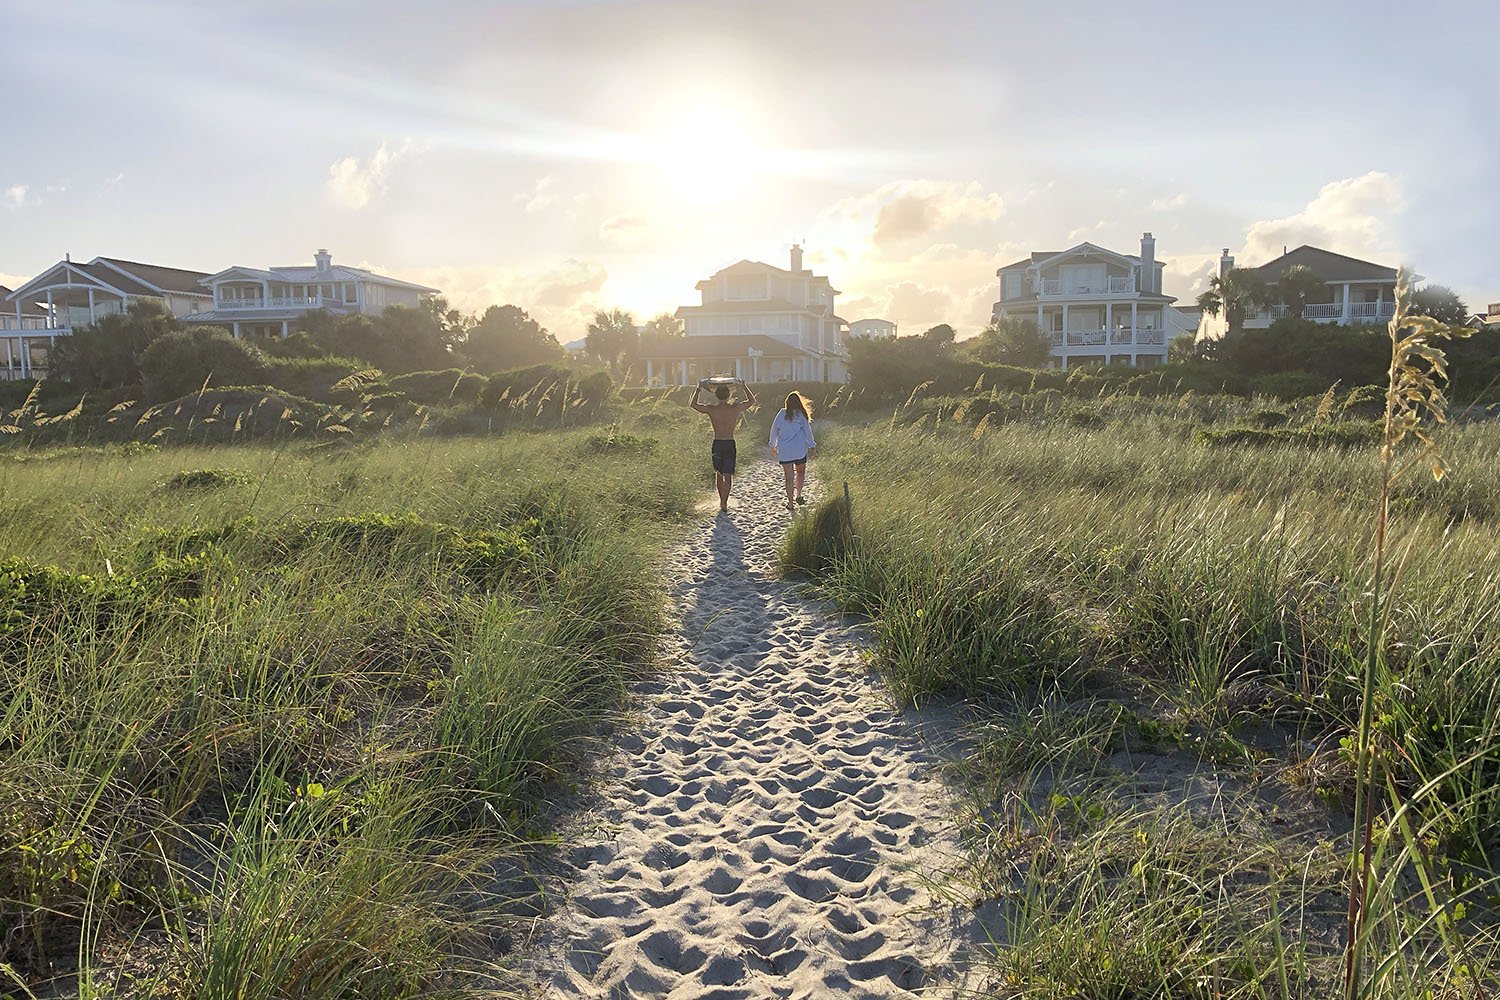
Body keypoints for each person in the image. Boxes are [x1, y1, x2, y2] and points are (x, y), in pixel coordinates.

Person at [690, 376, 757, 513]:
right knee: (728, 475)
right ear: (729, 395)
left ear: (716, 395)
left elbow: (693, 405)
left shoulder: (711, 409)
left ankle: (721, 501)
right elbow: (752, 401)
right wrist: (744, 387)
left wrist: (698, 389)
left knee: (719, 474)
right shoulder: (735, 408)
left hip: (717, 443)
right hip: (729, 443)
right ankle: (724, 503)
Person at [769, 391, 816, 512]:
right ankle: (798, 494)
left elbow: (774, 430)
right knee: (800, 472)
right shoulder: (801, 415)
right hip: (799, 449)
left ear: (787, 403)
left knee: (788, 477)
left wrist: (772, 445)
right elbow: (807, 431)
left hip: (785, 450)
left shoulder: (781, 414)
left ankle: (790, 503)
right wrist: (811, 445)